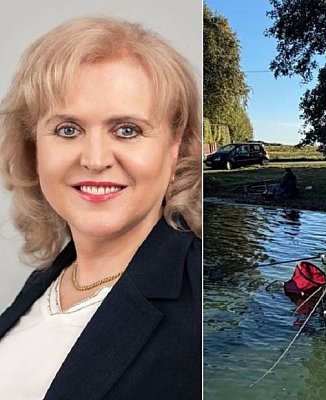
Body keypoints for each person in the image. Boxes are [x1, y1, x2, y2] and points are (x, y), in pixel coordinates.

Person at [0, 17, 201, 399]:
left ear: (174, 147)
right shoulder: (51, 277)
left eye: (127, 130)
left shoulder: (197, 315)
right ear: (34, 147)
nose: (94, 160)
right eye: (67, 130)